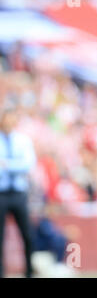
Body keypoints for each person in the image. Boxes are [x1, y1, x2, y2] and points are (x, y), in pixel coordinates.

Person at [0, 107, 37, 277]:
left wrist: (7, 165)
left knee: (27, 234)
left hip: (19, 194)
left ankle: (29, 271)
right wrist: (16, 165)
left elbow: (28, 164)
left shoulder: (23, 140)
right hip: (1, 194)